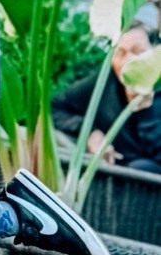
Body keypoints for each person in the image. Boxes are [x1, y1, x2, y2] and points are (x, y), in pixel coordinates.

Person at [57, 23, 161, 171]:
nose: (128, 60)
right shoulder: (107, 80)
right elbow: (57, 107)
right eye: (121, 53)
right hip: (109, 172)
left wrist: (144, 111)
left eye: (137, 52)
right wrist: (90, 132)